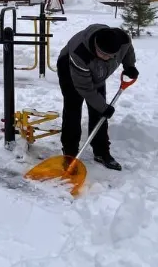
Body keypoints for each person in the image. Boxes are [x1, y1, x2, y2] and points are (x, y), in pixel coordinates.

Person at [56, 24, 139, 171]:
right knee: (73, 109)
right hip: (70, 71)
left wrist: (129, 66)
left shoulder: (121, 39)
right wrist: (103, 107)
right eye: (104, 54)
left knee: (99, 113)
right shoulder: (80, 53)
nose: (107, 58)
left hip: (97, 73)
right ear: (95, 46)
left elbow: (127, 49)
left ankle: (101, 151)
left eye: (111, 56)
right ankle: (70, 154)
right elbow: (85, 88)